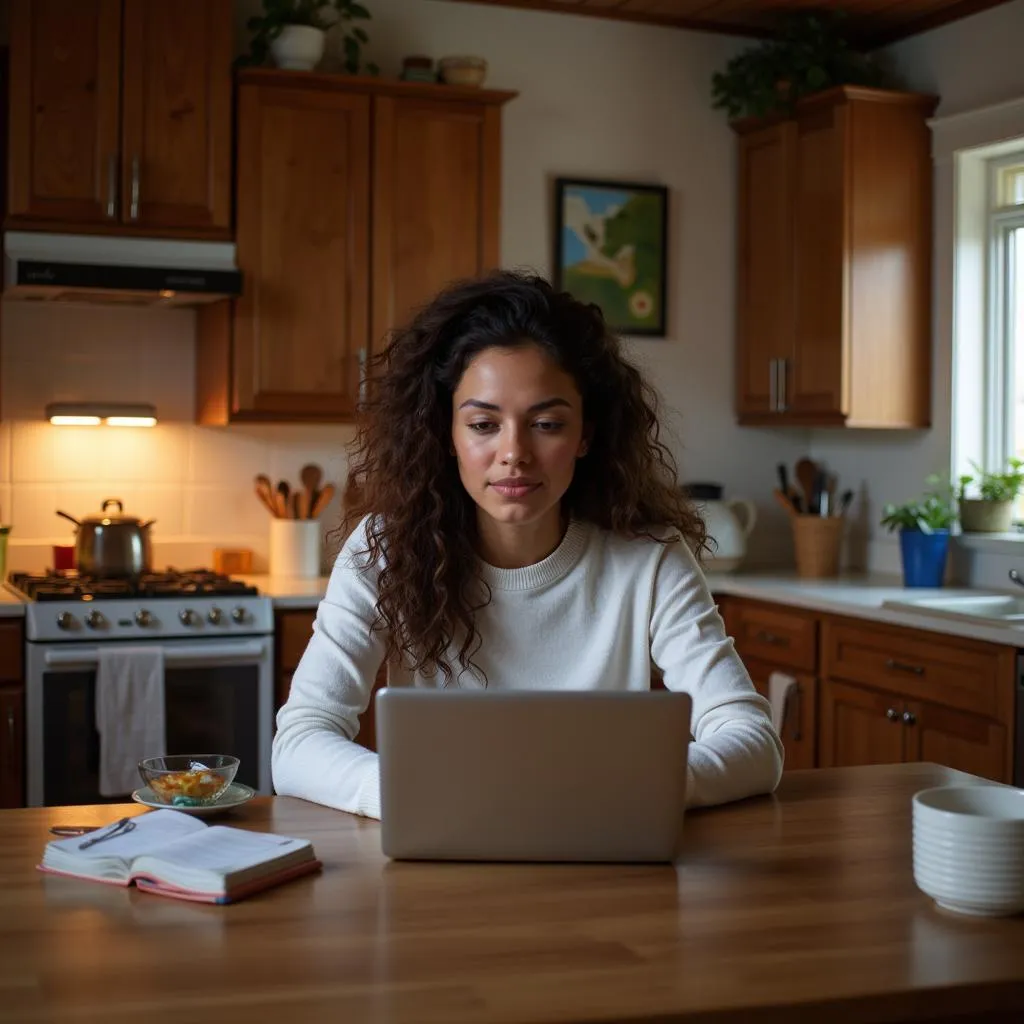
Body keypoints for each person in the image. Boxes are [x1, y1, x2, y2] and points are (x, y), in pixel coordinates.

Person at [272, 270, 783, 817]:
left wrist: (633, 789)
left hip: (600, 859)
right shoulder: (384, 549)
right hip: (439, 857)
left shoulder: (650, 557)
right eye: (484, 424)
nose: (514, 453)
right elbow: (299, 743)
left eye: (545, 423)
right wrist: (408, 792)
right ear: (446, 433)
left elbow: (753, 742)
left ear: (585, 434)